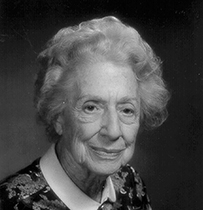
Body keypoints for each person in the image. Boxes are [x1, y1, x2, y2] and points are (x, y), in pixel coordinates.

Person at [0, 16, 170, 210]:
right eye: (91, 107)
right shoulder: (12, 203)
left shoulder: (130, 183)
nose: (113, 131)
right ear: (58, 116)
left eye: (127, 110)